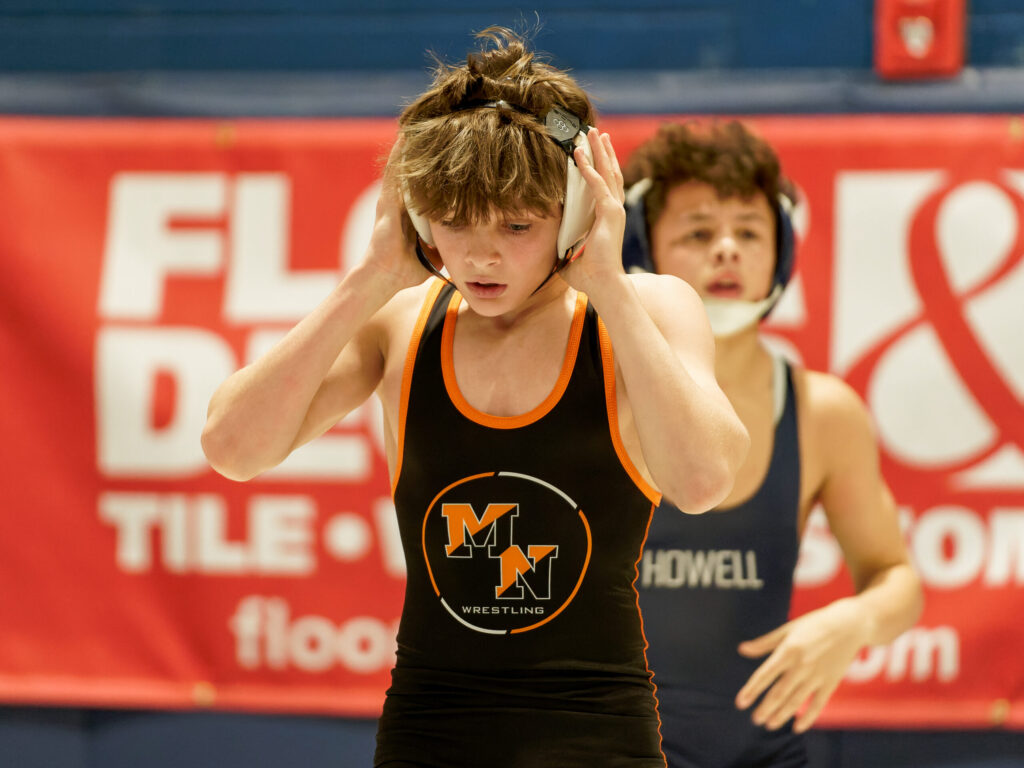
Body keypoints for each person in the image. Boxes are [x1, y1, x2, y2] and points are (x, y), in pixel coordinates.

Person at [201, 29, 749, 768]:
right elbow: (233, 450)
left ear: (580, 213)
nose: (481, 255)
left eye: (518, 226)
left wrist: (610, 288)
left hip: (596, 730)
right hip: (429, 727)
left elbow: (705, 480)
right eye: (454, 223)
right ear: (420, 217)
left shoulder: (646, 310)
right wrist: (369, 279)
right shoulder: (401, 321)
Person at [622, 120, 923, 768]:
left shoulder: (821, 413)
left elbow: (897, 580)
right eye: (698, 232)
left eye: (749, 232)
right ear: (642, 250)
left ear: (781, 254)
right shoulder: (586, 393)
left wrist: (853, 623)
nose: (727, 249)